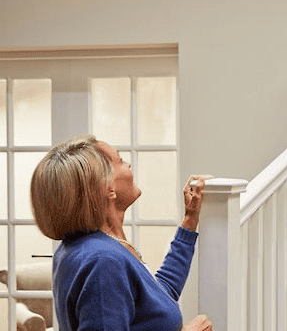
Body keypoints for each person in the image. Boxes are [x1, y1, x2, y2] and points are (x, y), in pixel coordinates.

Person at [30, 135, 213, 331]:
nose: (129, 166)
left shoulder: (98, 246)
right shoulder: (102, 261)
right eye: (120, 161)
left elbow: (160, 300)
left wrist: (190, 220)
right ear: (107, 188)